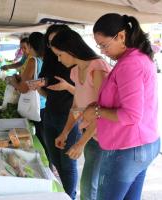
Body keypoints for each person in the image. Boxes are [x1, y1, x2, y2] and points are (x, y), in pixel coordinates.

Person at [83, 13, 160, 200]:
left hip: (128, 148)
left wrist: (96, 111)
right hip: (143, 145)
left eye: (104, 45)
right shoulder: (138, 58)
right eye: (99, 46)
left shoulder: (130, 64)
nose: (102, 51)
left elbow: (131, 115)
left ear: (121, 36)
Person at [50, 29, 111, 200]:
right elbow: (76, 106)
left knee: (90, 186)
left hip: (106, 138)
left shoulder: (98, 68)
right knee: (90, 186)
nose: (58, 59)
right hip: (92, 135)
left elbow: (102, 111)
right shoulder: (76, 71)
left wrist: (80, 144)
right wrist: (65, 132)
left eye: (60, 54)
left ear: (70, 50)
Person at [38, 24, 80, 199]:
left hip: (69, 116)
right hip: (50, 113)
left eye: (57, 42)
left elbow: (87, 96)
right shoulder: (51, 59)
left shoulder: (80, 62)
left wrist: (67, 86)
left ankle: (69, 195)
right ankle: (64, 193)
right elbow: (47, 87)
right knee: (55, 160)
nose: (55, 50)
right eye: (50, 43)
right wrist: (39, 86)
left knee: (68, 163)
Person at [9, 32, 46, 159]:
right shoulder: (44, 59)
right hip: (43, 104)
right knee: (44, 140)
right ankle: (49, 165)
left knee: (39, 140)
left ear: (30, 46)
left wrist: (13, 81)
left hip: (34, 106)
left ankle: (45, 166)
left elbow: (24, 89)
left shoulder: (32, 60)